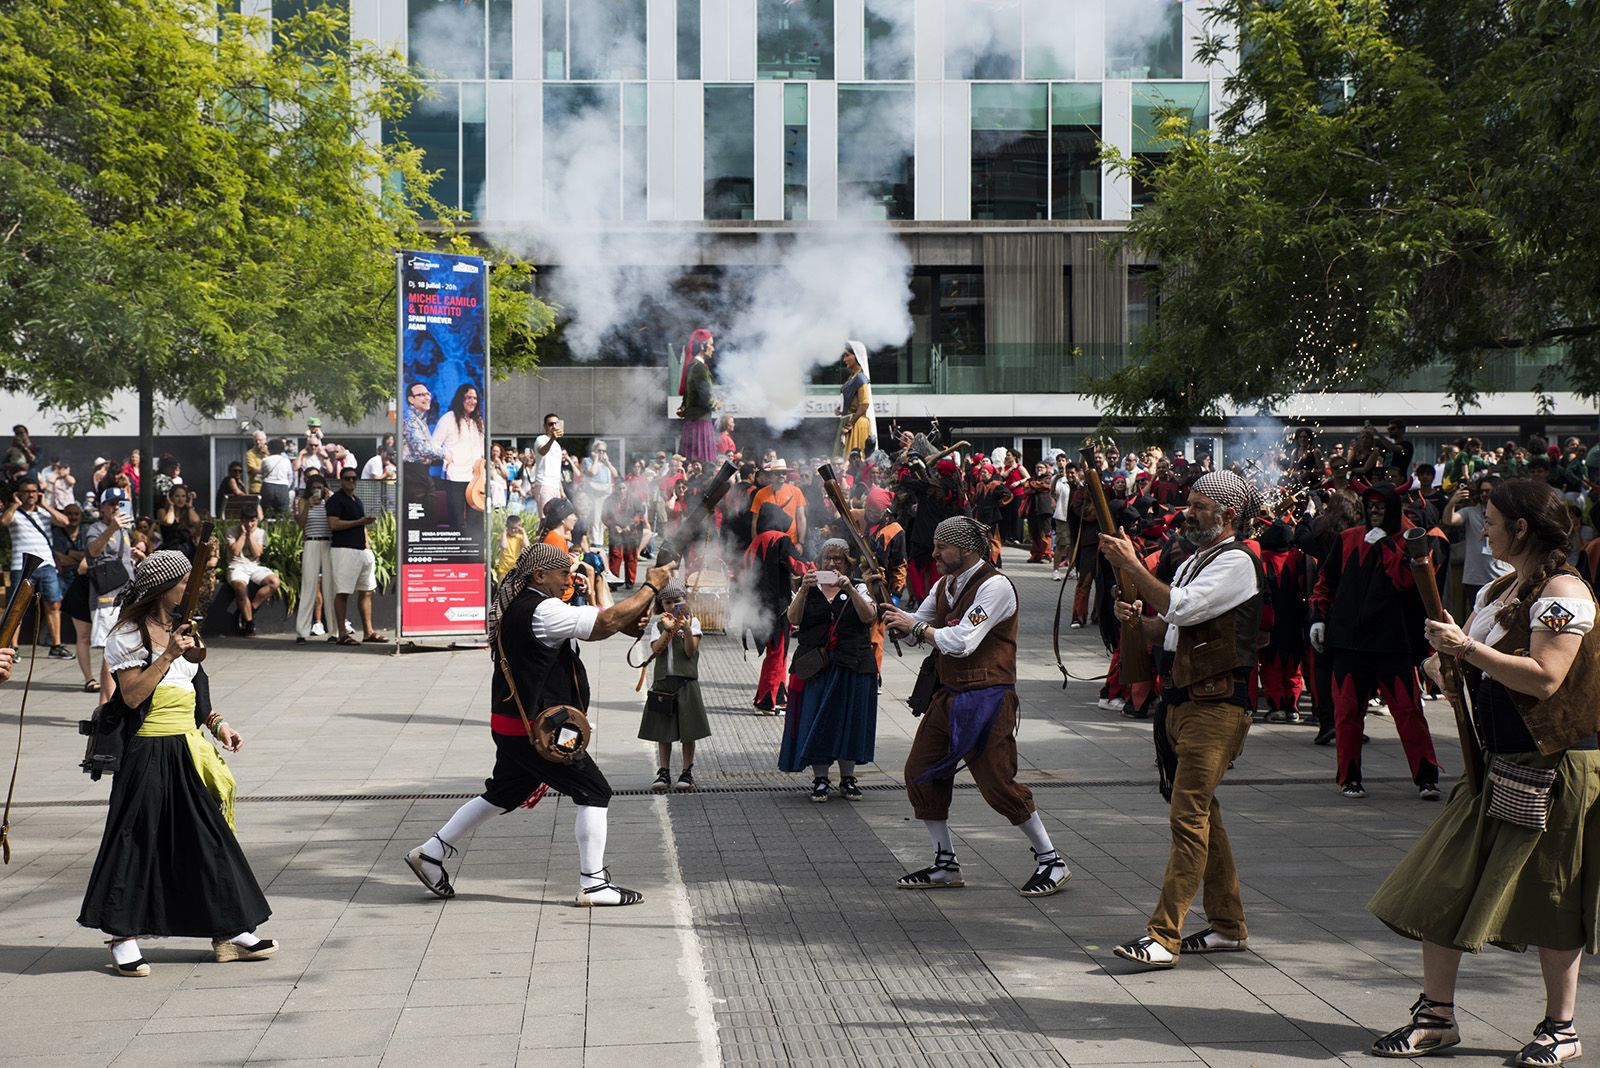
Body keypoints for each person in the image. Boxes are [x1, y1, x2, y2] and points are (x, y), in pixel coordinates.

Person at [1367, 479, 1599, 1065]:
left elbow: (1544, 678)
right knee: (1442, 877)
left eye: (1492, 519)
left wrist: (1465, 652)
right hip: (1496, 762)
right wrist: (1446, 668)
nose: (1483, 527)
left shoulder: (1564, 592)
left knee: (1553, 896)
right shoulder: (1502, 588)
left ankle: (1561, 1028)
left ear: (1522, 528)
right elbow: (1478, 667)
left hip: (1555, 764)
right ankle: (1437, 1018)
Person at [405, 543, 676, 907]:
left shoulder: (523, 604)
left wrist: (615, 618)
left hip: (511, 723)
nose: (569, 578)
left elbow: (601, 624)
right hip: (538, 731)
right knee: (595, 791)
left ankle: (431, 852)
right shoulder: (543, 610)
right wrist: (651, 587)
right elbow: (603, 624)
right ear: (540, 575)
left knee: (504, 794)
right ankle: (594, 885)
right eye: (563, 573)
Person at [77, 549, 277, 977]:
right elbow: (130, 697)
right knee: (135, 840)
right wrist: (167, 655)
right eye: (184, 582)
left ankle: (231, 930)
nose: (191, 589)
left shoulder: (182, 629)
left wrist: (217, 724)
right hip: (146, 751)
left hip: (185, 749)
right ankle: (122, 935)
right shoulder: (127, 635)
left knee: (210, 837)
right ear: (163, 588)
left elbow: (195, 688)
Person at [1097, 471, 1266, 970]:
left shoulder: (1238, 561)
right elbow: (1168, 629)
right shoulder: (1196, 559)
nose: (1187, 513)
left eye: (1198, 506)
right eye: (1189, 504)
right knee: (1203, 813)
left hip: (1215, 709)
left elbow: (1180, 606)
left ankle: (1162, 935)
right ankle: (1229, 927)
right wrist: (1134, 619)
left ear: (1227, 516)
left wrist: (1131, 564)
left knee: (1187, 819)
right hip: (1183, 703)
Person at [882, 515, 1071, 898]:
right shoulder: (945, 583)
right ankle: (945, 863)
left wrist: (916, 628)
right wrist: (889, 613)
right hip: (949, 694)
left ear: (967, 549)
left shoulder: (995, 586)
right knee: (920, 772)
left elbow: (962, 640)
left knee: (997, 783)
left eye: (942, 547)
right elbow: (918, 625)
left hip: (988, 696)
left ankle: (1051, 860)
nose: (934, 553)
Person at [1309, 482, 1442, 800]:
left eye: (1381, 507)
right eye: (1370, 507)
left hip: (1392, 643)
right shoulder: (1347, 539)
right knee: (1347, 714)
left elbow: (1406, 581)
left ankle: (1426, 778)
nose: (1374, 512)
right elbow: (1324, 584)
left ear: (1393, 508)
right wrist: (1317, 618)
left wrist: (1384, 545)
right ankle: (1348, 778)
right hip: (1348, 643)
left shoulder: (1410, 537)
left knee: (1409, 712)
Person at [778, 539, 880, 802]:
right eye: (827, 558)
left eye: (838, 559)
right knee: (816, 721)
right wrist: (802, 590)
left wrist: (851, 589)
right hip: (817, 668)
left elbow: (869, 616)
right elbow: (794, 619)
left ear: (848, 564)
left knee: (849, 722)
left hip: (853, 665)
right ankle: (820, 778)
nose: (832, 563)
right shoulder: (806, 587)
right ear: (819, 561)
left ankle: (848, 779)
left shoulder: (859, 587)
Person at [639, 583, 710, 793]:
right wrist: (667, 631)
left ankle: (687, 771)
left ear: (685, 601)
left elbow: (690, 651)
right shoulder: (658, 625)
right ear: (662, 604)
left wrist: (685, 629)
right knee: (663, 730)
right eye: (668, 602)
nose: (672, 606)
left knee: (689, 730)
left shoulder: (694, 622)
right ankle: (664, 771)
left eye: (677, 602)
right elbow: (655, 650)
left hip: (686, 682)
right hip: (663, 682)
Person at [746, 502, 805, 714]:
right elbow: (798, 566)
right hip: (777, 607)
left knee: (777, 653)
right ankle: (765, 701)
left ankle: (778, 696)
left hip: (757, 608)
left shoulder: (755, 542)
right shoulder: (780, 539)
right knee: (777, 652)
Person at [2, 476, 70, 657]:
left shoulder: (45, 513)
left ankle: (56, 645)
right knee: (18, 607)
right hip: (21, 565)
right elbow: (4, 522)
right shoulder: (14, 512)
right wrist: (15, 504)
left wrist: (45, 504)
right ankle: (12, 647)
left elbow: (64, 521)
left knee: (54, 604)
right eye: (26, 491)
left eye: (33, 491)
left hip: (46, 564)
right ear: (20, 493)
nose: (30, 495)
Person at [325, 467, 384, 644]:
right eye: (347, 478)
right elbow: (333, 524)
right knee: (343, 592)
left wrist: (367, 546)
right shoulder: (335, 500)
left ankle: (368, 632)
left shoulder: (357, 500)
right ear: (341, 480)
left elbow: (362, 526)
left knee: (366, 591)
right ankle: (342, 634)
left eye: (354, 478)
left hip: (361, 550)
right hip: (344, 550)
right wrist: (359, 522)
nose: (351, 481)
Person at [1443, 476, 1514, 619]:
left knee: (1501, 619)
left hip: (1502, 577)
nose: (1484, 494)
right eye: (1482, 491)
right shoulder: (1470, 512)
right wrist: (1453, 501)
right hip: (1475, 579)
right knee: (1476, 621)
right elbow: (1448, 520)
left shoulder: (1509, 513)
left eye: (1488, 491)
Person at [431, 382, 485, 535]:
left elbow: (482, 449)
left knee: (476, 519)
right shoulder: (448, 418)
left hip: (475, 478)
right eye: (468, 397)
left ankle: (474, 555)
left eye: (475, 398)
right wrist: (446, 456)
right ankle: (457, 553)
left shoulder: (478, 421)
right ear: (460, 398)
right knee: (456, 520)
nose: (472, 401)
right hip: (454, 477)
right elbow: (433, 445)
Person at [293, 472, 338, 643]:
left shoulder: (331, 500)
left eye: (320, 488)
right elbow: (301, 525)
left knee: (330, 588)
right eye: (314, 488)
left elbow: (334, 521)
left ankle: (333, 631)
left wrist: (328, 499)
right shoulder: (304, 501)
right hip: (311, 542)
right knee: (308, 585)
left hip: (328, 543)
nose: (317, 491)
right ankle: (302, 632)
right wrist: (308, 506)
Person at [225, 513, 278, 638]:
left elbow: (257, 553)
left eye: (252, 521)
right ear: (241, 521)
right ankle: (249, 623)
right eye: (246, 521)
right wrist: (243, 534)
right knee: (240, 588)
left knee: (274, 582)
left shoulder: (260, 532)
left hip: (254, 566)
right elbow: (236, 551)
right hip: (236, 566)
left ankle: (249, 610)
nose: (249, 524)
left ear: (257, 521)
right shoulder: (231, 531)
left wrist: (250, 535)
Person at [402, 381, 444, 512]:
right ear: (411, 399)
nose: (426, 397)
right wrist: (445, 454)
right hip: (413, 474)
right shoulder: (410, 420)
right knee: (416, 518)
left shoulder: (420, 420)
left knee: (428, 514)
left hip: (423, 473)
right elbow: (421, 449)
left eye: (428, 394)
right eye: (421, 395)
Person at [677, 329, 718, 463]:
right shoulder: (699, 367)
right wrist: (717, 404)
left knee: (691, 460)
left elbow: (688, 395)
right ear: (702, 346)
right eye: (711, 344)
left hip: (693, 422)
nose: (713, 348)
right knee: (702, 460)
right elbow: (707, 397)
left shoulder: (692, 365)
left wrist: (684, 406)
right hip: (700, 423)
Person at [838, 341, 876, 455]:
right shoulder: (852, 377)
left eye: (847, 355)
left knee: (853, 456)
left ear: (857, 356)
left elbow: (864, 404)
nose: (844, 360)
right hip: (849, 420)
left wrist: (851, 424)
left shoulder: (860, 378)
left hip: (856, 423)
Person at [531, 413, 566, 511]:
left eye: (556, 423)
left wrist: (561, 491)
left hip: (555, 486)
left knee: (554, 521)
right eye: (550, 424)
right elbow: (542, 451)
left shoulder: (557, 445)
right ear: (545, 426)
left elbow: (556, 470)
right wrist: (552, 439)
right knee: (545, 519)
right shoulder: (541, 439)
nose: (554, 426)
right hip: (544, 483)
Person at [1051, 454, 1074, 581]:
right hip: (1062, 516)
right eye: (1058, 460)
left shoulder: (1074, 477)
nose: (1061, 462)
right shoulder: (1056, 478)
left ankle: (1072, 569)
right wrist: (1056, 479)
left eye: (1063, 460)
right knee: (1061, 544)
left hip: (1073, 516)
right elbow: (1052, 493)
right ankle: (1055, 570)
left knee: (1072, 544)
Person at [259, 438, 295, 516]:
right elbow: (290, 476)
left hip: (268, 486)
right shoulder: (286, 461)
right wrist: (286, 486)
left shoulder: (265, 460)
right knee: (282, 513)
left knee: (265, 512)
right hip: (283, 487)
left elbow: (262, 474)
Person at [494, 513, 527, 585]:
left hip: (516, 570)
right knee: (502, 590)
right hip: (504, 570)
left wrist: (524, 533)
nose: (513, 530)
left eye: (516, 528)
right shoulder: (504, 537)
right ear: (507, 528)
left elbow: (527, 546)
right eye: (511, 528)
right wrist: (504, 533)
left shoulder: (520, 537)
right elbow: (504, 546)